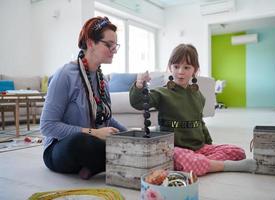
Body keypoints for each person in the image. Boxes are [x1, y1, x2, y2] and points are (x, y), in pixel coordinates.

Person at [129, 44, 256, 176]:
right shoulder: (162, 92)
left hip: (199, 149)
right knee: (182, 157)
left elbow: (200, 123)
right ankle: (221, 166)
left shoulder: (198, 95)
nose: (180, 71)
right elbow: (138, 102)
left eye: (186, 67)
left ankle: (203, 164)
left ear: (195, 70)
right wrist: (139, 85)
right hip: (175, 149)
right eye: (176, 66)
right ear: (170, 67)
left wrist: (209, 145)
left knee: (237, 151)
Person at [40, 16, 127, 180]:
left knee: (124, 142)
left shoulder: (102, 79)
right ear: (90, 43)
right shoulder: (65, 75)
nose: (114, 50)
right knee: (81, 142)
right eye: (109, 44)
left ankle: (94, 165)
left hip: (92, 143)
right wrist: (94, 132)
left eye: (116, 45)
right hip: (61, 148)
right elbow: (47, 126)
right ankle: (106, 162)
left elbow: (106, 119)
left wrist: (129, 134)